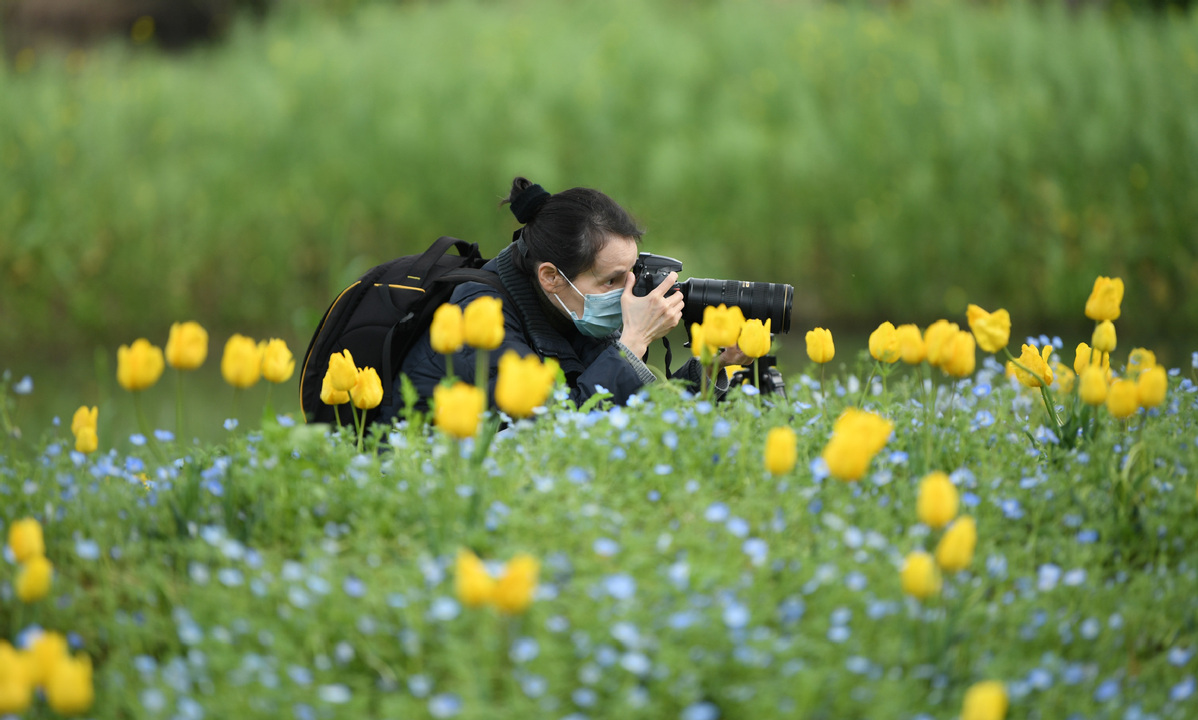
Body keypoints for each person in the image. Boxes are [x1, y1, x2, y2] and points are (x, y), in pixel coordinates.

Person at [377, 177, 750, 420]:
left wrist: (710, 369)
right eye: (612, 280)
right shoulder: (480, 317)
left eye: (632, 273)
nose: (629, 291)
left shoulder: (569, 309)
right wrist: (632, 344)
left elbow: (636, 419)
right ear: (551, 277)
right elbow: (550, 432)